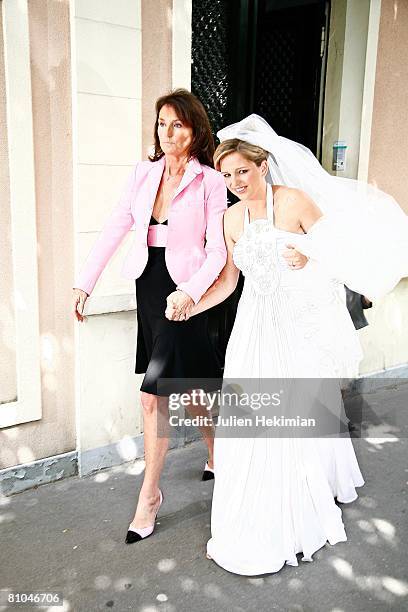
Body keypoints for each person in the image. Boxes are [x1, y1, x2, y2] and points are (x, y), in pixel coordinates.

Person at [166, 115, 408, 575]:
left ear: (263, 165)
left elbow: (343, 250)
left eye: (243, 170)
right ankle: (251, 511)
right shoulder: (229, 219)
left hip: (296, 328)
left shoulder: (295, 201)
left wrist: (311, 252)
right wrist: (189, 301)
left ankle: (296, 507)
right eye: (228, 174)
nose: (236, 181)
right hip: (254, 330)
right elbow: (227, 283)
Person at [72, 89, 230, 544]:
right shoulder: (144, 173)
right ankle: (217, 451)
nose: (168, 131)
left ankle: (149, 496)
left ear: (195, 130)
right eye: (162, 123)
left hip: (186, 291)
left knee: (152, 393)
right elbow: (116, 226)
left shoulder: (210, 181)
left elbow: (218, 250)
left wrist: (190, 293)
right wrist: (86, 282)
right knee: (189, 384)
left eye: (177, 124)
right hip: (150, 284)